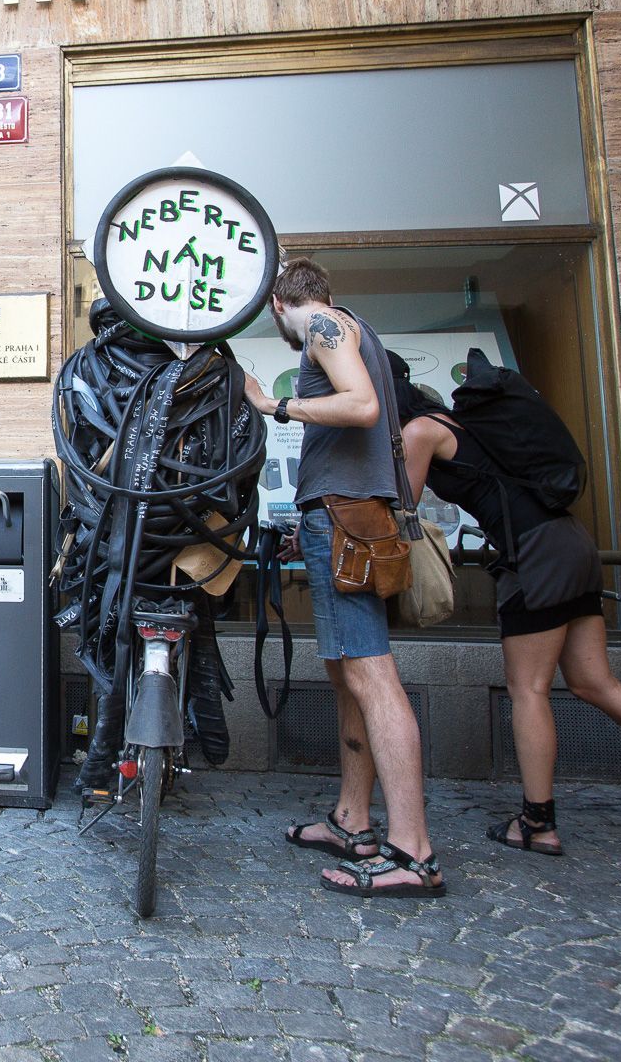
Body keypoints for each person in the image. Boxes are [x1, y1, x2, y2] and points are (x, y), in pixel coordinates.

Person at [394, 354, 621, 867]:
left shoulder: (418, 433)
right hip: (570, 541)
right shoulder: (458, 423)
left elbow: (399, 513)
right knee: (595, 683)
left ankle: (538, 824)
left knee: (529, 688)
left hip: (536, 555)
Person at [243, 257, 446, 898]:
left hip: (345, 519)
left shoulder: (324, 326)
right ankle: (352, 819)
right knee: (347, 674)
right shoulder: (351, 324)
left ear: (279, 304)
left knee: (369, 672)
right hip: (340, 514)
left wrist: (275, 404)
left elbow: (360, 406)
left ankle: (412, 851)